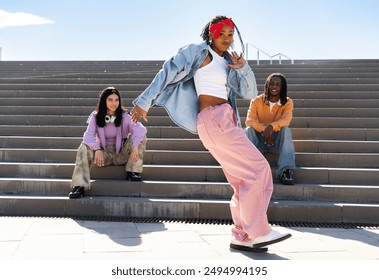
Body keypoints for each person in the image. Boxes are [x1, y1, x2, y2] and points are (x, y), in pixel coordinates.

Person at [130, 15, 291, 251]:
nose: (227, 38)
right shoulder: (198, 52)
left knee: (242, 179)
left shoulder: (228, 62)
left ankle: (242, 235)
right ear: (211, 34)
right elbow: (167, 71)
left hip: (224, 121)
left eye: (230, 34)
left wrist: (243, 68)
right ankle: (258, 231)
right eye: (221, 33)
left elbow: (249, 92)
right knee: (259, 168)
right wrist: (144, 101)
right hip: (214, 119)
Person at [69, 86, 147, 199]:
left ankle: (133, 171)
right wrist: (97, 149)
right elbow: (88, 137)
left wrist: (135, 147)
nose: (114, 103)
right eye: (110, 100)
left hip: (121, 153)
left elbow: (140, 129)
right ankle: (79, 186)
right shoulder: (95, 117)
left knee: (140, 137)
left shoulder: (125, 116)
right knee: (83, 147)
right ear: (104, 100)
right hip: (103, 155)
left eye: (116, 100)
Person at [245, 73, 296, 185]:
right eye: (272, 83)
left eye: (278, 84)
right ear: (267, 85)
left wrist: (271, 127)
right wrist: (264, 130)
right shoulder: (256, 101)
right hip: (259, 142)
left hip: (276, 142)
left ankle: (286, 171)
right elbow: (250, 120)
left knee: (286, 130)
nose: (274, 86)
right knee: (249, 130)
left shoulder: (287, 102)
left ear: (282, 87)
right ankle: (248, 169)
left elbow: (286, 120)